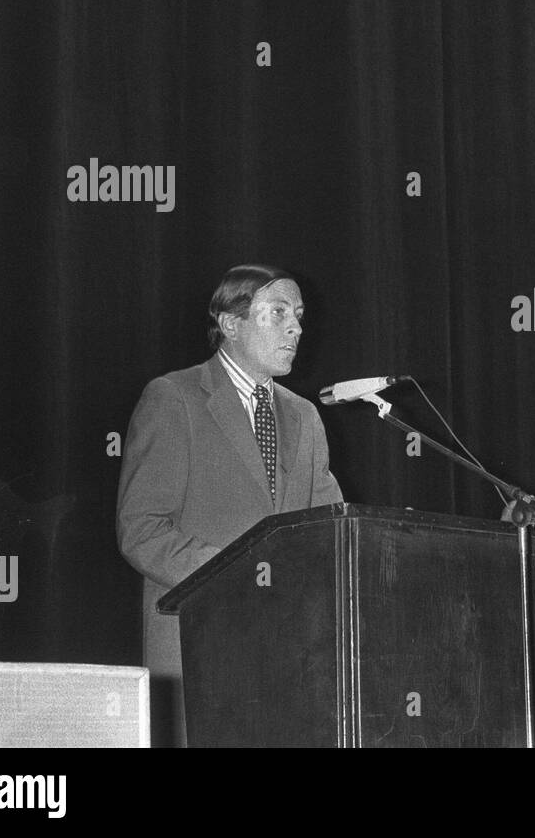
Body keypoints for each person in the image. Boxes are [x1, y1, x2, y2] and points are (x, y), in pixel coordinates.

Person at [116, 264, 343, 745]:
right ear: (231, 322)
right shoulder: (173, 398)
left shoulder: (305, 415)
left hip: (287, 652)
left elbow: (330, 531)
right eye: (278, 311)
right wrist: (240, 577)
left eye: (299, 315)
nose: (296, 327)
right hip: (198, 645)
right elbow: (143, 530)